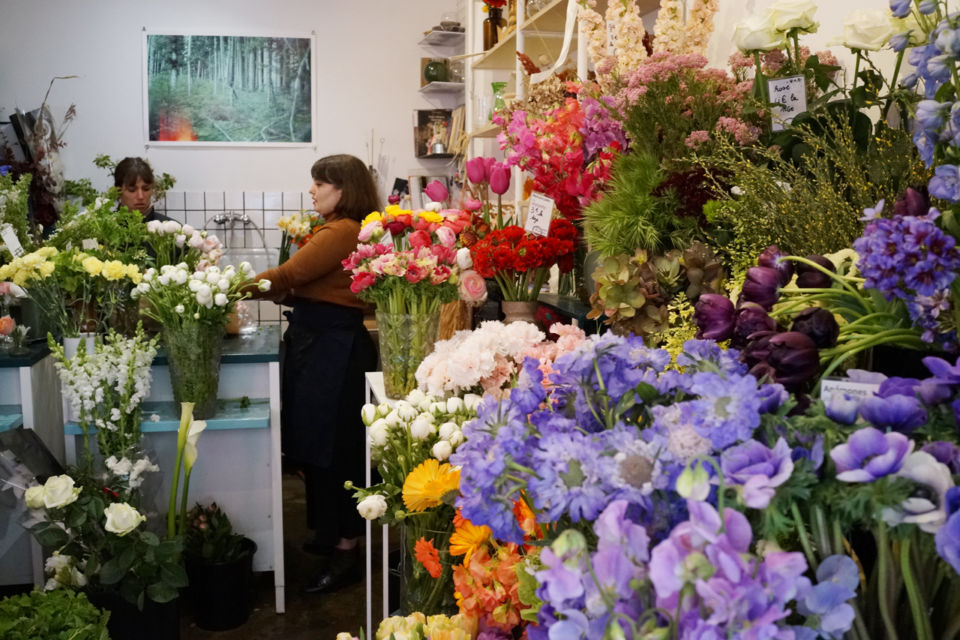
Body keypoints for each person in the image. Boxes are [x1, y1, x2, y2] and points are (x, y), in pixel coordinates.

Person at [252, 154, 378, 594]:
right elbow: (304, 285)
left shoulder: (341, 231)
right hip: (321, 345)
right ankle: (330, 534)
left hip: (334, 351)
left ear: (343, 188)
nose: (312, 190)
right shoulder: (338, 230)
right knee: (318, 448)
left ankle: (347, 549)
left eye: (319, 183)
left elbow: (290, 274)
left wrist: (225, 289)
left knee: (336, 451)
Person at [114, 156, 173, 222]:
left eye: (146, 189)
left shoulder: (169, 229)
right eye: (132, 190)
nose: (140, 196)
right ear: (118, 191)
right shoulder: (103, 227)